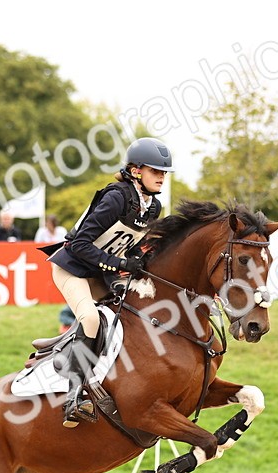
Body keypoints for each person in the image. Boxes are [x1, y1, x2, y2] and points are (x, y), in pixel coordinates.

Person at [46, 136, 172, 426]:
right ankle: (73, 395)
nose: (161, 178)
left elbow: (127, 243)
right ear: (136, 170)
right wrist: (120, 263)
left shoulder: (153, 207)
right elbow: (79, 244)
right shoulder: (116, 197)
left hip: (102, 273)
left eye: (164, 173)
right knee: (90, 319)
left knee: (136, 311)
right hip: (73, 269)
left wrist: (137, 258)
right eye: (156, 171)